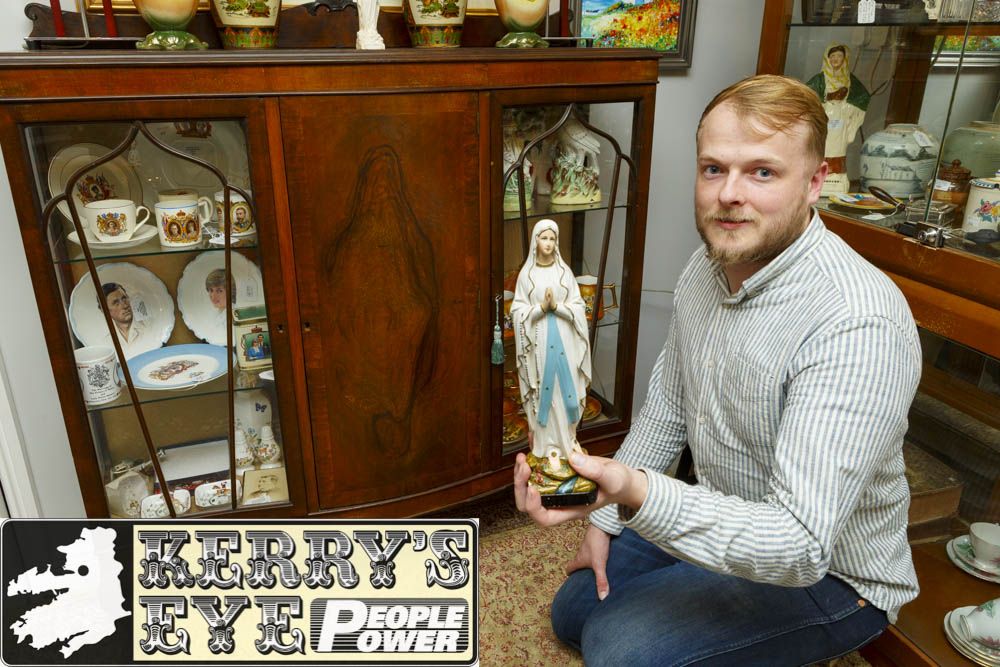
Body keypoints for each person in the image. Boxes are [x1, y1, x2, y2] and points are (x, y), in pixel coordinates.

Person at [514, 75, 921, 665]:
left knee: (616, 648)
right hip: (729, 514)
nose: (730, 194)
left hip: (830, 573)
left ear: (815, 184)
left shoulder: (859, 322)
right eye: (713, 169)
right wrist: (605, 518)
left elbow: (799, 545)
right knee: (575, 610)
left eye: (762, 172)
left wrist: (635, 492)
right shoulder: (705, 269)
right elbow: (666, 412)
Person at [511, 219, 594, 498]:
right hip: (539, 344)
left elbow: (579, 305)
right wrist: (538, 309)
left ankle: (567, 446)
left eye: (552, 239)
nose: (548, 243)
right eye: (543, 238)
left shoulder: (564, 272)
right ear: (535, 241)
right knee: (542, 395)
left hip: (565, 342)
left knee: (563, 391)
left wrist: (556, 306)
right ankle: (545, 452)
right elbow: (517, 311)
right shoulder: (528, 276)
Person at [805, 43, 871, 196]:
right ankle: (818, 176)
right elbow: (806, 95)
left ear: (845, 59)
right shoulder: (820, 79)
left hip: (841, 119)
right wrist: (827, 100)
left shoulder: (849, 80)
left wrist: (846, 107)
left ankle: (836, 178)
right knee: (822, 145)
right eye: (833, 56)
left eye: (839, 56)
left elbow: (863, 97)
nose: (836, 59)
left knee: (838, 147)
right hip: (824, 116)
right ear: (827, 59)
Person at [100, 283, 156, 358]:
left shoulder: (149, 328)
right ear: (105, 311)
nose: (125, 305)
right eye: (116, 303)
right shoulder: (106, 341)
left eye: (124, 298)